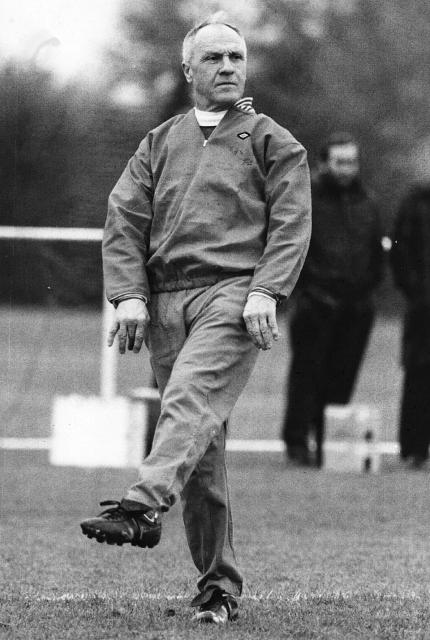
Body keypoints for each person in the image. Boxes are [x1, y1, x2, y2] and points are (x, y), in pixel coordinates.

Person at [80, 15, 311, 625]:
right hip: (164, 302)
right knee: (200, 449)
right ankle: (219, 587)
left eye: (236, 56)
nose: (228, 66)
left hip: (233, 296)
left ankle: (142, 506)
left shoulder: (273, 141)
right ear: (189, 70)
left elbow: (292, 224)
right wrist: (129, 295)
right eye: (214, 58)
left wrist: (267, 290)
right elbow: (124, 221)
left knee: (186, 399)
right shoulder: (158, 142)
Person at [282, 132, 383, 468]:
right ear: (323, 163)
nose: (346, 169)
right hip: (316, 304)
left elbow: (376, 252)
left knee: (343, 378)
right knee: (307, 376)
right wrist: (310, 290)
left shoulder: (367, 202)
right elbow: (292, 249)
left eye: (351, 162)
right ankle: (297, 442)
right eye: (340, 162)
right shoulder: (304, 199)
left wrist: (366, 290)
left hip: (356, 307)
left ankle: (330, 442)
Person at [390, 183, 430, 469]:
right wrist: (418, 292)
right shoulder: (416, 202)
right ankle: (414, 448)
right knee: (419, 374)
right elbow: (399, 251)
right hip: (424, 307)